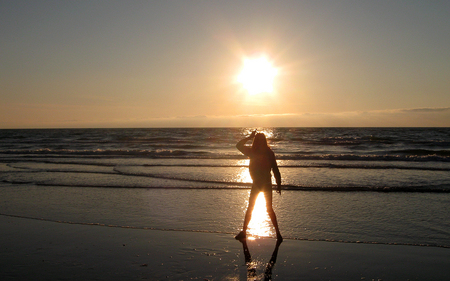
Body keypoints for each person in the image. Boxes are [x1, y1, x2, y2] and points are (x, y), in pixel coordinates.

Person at [235, 130, 282, 241]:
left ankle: (278, 234)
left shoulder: (255, 152)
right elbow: (275, 169)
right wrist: (278, 184)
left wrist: (279, 184)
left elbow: (275, 169)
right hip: (261, 184)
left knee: (263, 208)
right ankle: (277, 234)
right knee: (259, 208)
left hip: (262, 184)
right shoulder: (261, 152)